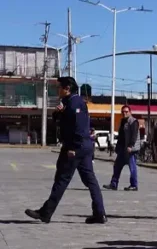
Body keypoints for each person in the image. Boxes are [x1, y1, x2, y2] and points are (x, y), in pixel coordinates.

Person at [26, 77, 106, 224]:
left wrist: (73, 148)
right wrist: (58, 113)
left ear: (67, 88)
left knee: (62, 180)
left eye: (60, 87)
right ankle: (99, 213)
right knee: (90, 180)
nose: (58, 90)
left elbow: (79, 127)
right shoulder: (69, 102)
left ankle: (46, 213)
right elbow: (61, 121)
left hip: (76, 147)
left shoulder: (75, 103)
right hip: (83, 147)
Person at [105, 105, 140, 191]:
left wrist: (130, 146)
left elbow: (134, 135)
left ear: (130, 112)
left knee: (132, 167)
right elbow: (121, 136)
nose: (124, 113)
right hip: (123, 149)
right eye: (123, 112)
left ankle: (134, 185)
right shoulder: (123, 121)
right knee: (117, 166)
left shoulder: (133, 121)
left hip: (131, 149)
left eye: (126, 112)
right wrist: (117, 147)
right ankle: (114, 183)